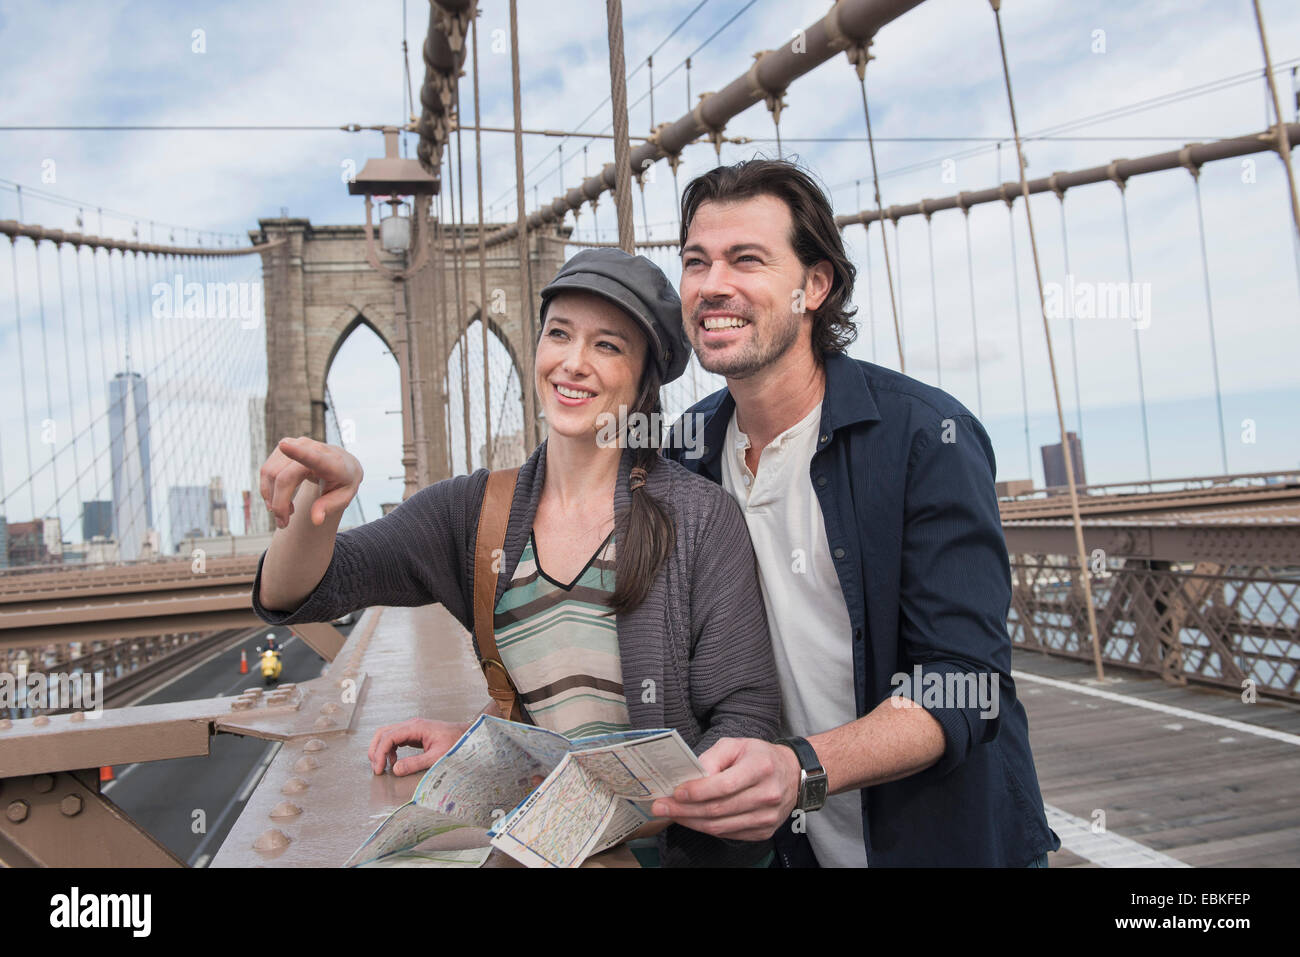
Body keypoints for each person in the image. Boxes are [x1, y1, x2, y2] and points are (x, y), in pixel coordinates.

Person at [251, 248, 781, 867]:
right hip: (550, 845)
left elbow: (746, 712)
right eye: (558, 334)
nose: (573, 363)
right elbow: (302, 591)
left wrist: (665, 815)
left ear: (644, 382)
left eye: (608, 346)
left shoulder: (700, 518)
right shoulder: (474, 513)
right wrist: (323, 497)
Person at [654, 158, 1061, 867]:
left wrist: (802, 768)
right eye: (696, 261)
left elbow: (965, 680)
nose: (712, 284)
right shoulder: (684, 454)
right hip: (782, 851)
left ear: (815, 284)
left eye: (745, 259)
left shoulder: (926, 439)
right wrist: (506, 747)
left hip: (944, 845)